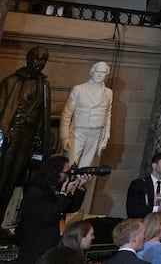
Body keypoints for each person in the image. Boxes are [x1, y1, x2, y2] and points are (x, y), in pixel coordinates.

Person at [0, 46, 53, 212]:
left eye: (43, 60)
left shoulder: (44, 84)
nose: (39, 63)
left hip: (29, 137)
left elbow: (44, 116)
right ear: (28, 58)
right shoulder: (12, 81)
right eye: (36, 59)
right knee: (2, 176)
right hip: (12, 133)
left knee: (14, 179)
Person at [17, 157, 88, 264]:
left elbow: (70, 207)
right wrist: (63, 194)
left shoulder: (54, 189)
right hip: (36, 248)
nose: (67, 175)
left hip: (50, 245)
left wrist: (80, 187)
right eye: (66, 172)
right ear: (55, 171)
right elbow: (49, 216)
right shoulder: (36, 192)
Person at [61, 61, 114, 169]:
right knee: (70, 164)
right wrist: (64, 136)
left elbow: (108, 114)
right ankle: (67, 185)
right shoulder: (79, 89)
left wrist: (106, 134)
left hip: (96, 133)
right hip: (78, 131)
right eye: (97, 72)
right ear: (92, 72)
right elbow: (66, 114)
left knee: (87, 167)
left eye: (103, 72)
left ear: (106, 74)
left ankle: (79, 185)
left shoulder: (108, 93)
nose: (99, 75)